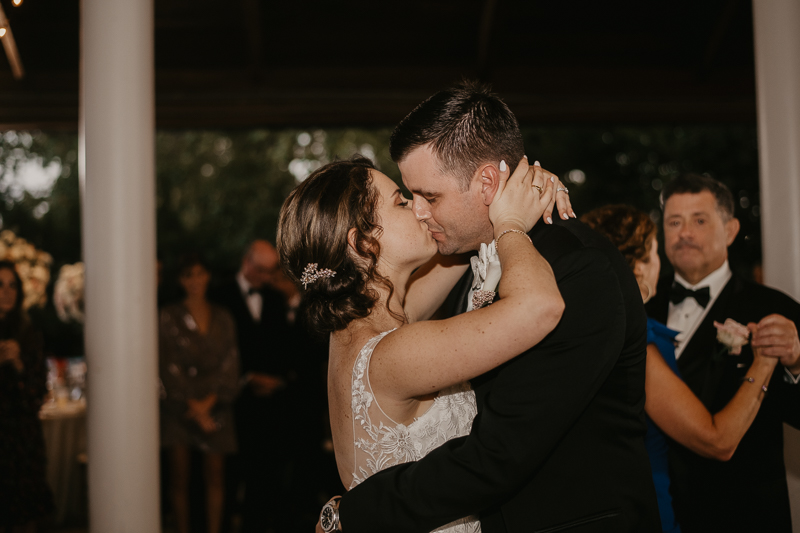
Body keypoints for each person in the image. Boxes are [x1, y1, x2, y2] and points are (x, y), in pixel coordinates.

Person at [312, 81, 661, 533]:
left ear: (488, 182)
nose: (419, 211)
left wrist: (356, 512)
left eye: (429, 196)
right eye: (408, 197)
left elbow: (500, 454)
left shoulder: (580, 268)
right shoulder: (458, 258)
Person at [280, 151, 564, 532]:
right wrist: (510, 223)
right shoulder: (393, 355)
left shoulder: (359, 327)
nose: (419, 207)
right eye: (401, 201)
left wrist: (497, 192)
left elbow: (457, 248)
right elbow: (540, 306)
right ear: (364, 243)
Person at [582, 205, 779, 533]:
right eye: (655, 252)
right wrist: (766, 360)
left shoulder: (593, 330)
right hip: (643, 509)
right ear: (640, 266)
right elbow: (718, 441)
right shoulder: (634, 342)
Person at [644, 174, 800, 533]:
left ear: (730, 231)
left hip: (746, 513)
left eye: (699, 220)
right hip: (658, 513)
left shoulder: (773, 308)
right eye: (674, 222)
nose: (685, 232)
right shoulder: (640, 308)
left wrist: (796, 361)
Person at [209, 240, 294, 533]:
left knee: (264, 479)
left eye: (272, 272)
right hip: (230, 404)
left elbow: (283, 347)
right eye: (262, 270)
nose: (267, 278)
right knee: (228, 479)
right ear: (246, 263)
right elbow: (215, 352)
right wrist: (246, 378)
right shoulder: (218, 297)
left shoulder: (274, 299)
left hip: (269, 405)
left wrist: (278, 380)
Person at [159, 253, 239, 533]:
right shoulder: (167, 316)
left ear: (208, 276)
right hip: (178, 407)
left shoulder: (224, 315)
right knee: (179, 479)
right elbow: (165, 364)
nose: (195, 281)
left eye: (200, 273)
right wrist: (190, 405)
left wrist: (210, 403)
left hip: (216, 405)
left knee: (216, 477)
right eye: (188, 275)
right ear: (180, 280)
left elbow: (231, 361)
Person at [0, 261, 55, 532]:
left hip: (22, 441)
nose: (6, 291)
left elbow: (37, 396)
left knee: (25, 518)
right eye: (0, 285)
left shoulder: (29, 335)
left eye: (12, 285)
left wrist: (19, 363)